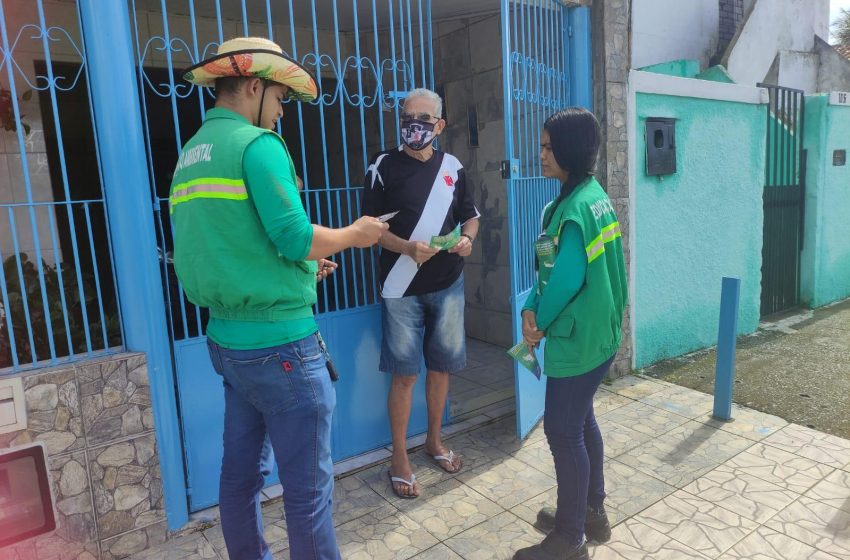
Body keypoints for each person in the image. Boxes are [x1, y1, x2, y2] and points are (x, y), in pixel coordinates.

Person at [170, 37, 387, 560]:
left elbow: (233, 246)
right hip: (283, 350)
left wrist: (306, 269)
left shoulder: (190, 156)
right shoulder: (256, 145)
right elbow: (293, 236)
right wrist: (354, 234)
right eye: (280, 97)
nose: (283, 110)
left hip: (228, 343)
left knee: (238, 482)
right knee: (308, 496)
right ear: (253, 85)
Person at [513, 108, 628, 560]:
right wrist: (528, 306)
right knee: (580, 422)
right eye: (541, 145)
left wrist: (536, 322)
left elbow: (566, 280)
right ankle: (590, 512)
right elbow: (546, 268)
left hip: (581, 336)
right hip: (596, 333)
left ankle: (570, 536)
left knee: (563, 431)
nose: (540, 154)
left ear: (570, 150)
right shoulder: (575, 199)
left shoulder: (577, 208)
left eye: (547, 146)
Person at [361, 88, 480, 499]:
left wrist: (466, 239)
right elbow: (371, 230)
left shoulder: (453, 167)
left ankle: (433, 440)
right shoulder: (382, 166)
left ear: (439, 126)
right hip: (400, 289)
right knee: (406, 375)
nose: (414, 126)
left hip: (447, 284)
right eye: (408, 118)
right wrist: (408, 249)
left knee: (441, 368)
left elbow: (471, 216)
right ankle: (399, 456)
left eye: (423, 120)